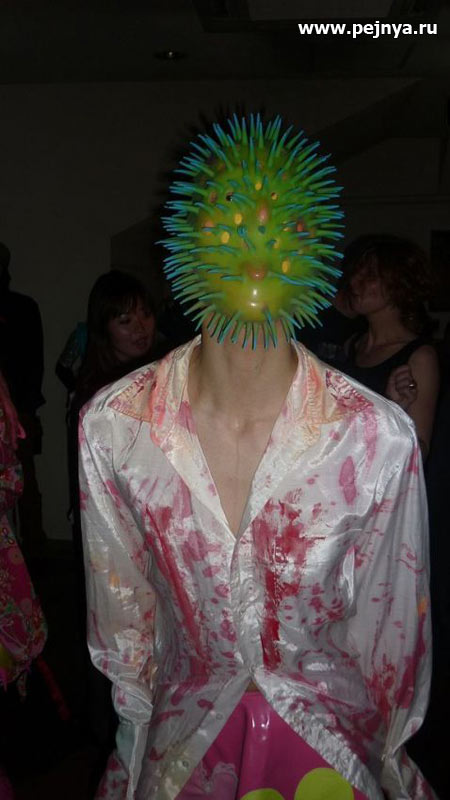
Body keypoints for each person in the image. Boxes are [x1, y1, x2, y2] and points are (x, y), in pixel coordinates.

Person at [79, 117, 434, 799]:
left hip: (331, 751)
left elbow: (391, 645)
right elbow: (125, 628)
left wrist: (389, 764)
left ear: (314, 244)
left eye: (283, 225)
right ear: (187, 235)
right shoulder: (116, 428)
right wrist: (132, 756)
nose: (255, 244)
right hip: (181, 751)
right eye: (228, 219)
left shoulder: (375, 438)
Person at [340, 236, 439, 459]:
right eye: (356, 273)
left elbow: (419, 454)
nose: (355, 282)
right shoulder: (352, 345)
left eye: (369, 276)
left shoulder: (420, 357)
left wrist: (393, 409)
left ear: (398, 285)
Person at [0, 243, 46, 554]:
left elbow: (34, 363)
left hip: (20, 411)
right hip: (18, 408)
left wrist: (25, 409)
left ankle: (34, 554)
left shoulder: (22, 307)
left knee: (26, 486)